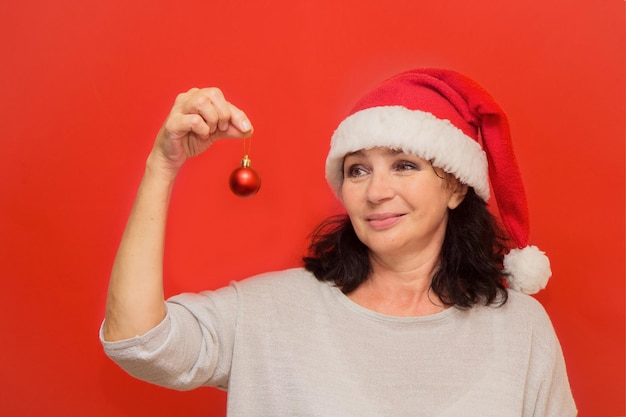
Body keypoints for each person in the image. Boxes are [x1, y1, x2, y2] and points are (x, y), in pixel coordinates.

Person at [100, 68, 577, 416]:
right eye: (358, 169)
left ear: (455, 187)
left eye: (405, 165)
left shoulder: (521, 331)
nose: (375, 191)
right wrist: (161, 166)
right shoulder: (268, 312)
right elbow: (139, 342)